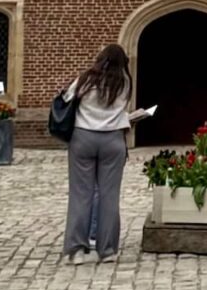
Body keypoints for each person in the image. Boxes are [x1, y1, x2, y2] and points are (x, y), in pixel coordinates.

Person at [60, 43, 153, 264]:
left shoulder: (85, 79)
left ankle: (76, 250)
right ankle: (108, 249)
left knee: (81, 194)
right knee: (109, 196)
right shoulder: (125, 82)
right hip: (112, 140)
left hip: (83, 137)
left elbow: (66, 99)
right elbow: (120, 107)